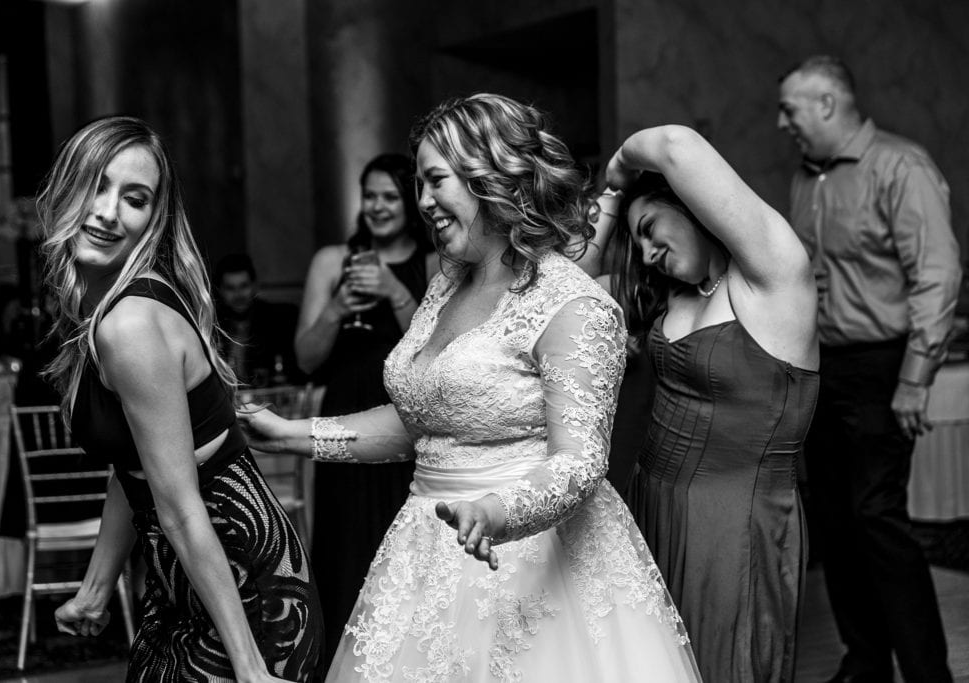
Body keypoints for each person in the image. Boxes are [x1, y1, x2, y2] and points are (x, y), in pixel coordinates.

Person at [241, 93, 700, 682]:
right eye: (421, 185)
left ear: (491, 178)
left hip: (529, 562)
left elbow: (581, 464)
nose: (423, 202)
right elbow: (422, 424)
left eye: (437, 181)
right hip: (422, 552)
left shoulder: (572, 304)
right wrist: (293, 435)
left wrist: (497, 513)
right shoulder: (445, 287)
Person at [38, 116, 323, 682]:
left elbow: (182, 507)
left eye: (134, 198)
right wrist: (96, 590)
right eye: (97, 184)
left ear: (154, 221)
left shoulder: (130, 325)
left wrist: (249, 670)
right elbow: (138, 466)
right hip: (185, 587)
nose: (107, 211)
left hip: (244, 590)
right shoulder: (107, 312)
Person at [597, 124, 820, 681]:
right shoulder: (671, 294)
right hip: (650, 501)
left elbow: (675, 144)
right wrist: (613, 207)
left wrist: (619, 170)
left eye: (650, 229)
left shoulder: (772, 279)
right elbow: (563, 288)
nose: (646, 254)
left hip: (731, 522)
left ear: (691, 203)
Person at [778, 55, 961, 683]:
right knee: (834, 519)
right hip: (823, 368)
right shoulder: (806, 179)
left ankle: (926, 672)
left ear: (827, 103)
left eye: (790, 109)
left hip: (882, 367)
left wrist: (914, 380)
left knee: (877, 516)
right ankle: (866, 665)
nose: (781, 123)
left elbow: (936, 278)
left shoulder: (900, 166)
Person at [293, 152, 435, 651]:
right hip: (344, 409)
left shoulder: (435, 262)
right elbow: (307, 359)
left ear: (412, 201)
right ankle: (341, 657)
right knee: (344, 536)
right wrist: (335, 308)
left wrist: (394, 290)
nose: (377, 207)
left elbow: (435, 353)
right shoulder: (332, 261)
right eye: (370, 196)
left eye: (389, 197)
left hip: (406, 416)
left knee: (401, 533)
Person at [214, 252, 301, 387]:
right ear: (220, 291)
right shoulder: (212, 324)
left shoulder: (278, 319)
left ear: (254, 286)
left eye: (244, 286)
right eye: (230, 288)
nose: (238, 295)